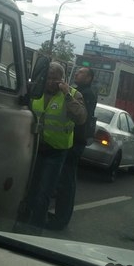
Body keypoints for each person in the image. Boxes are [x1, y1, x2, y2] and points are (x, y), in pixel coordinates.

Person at [16, 61, 87, 234]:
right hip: (36, 148)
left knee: (44, 193)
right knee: (30, 189)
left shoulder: (72, 94)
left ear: (62, 80)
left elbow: (81, 117)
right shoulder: (36, 92)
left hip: (56, 152)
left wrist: (67, 95)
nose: (51, 82)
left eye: (55, 79)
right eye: (48, 78)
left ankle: (35, 230)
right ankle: (23, 222)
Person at [47, 66, 97, 231]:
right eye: (77, 71)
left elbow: (81, 117)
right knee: (62, 180)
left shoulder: (86, 94)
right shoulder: (76, 90)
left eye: (81, 72)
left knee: (66, 182)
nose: (77, 73)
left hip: (75, 142)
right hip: (70, 140)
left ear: (89, 78)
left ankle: (61, 219)